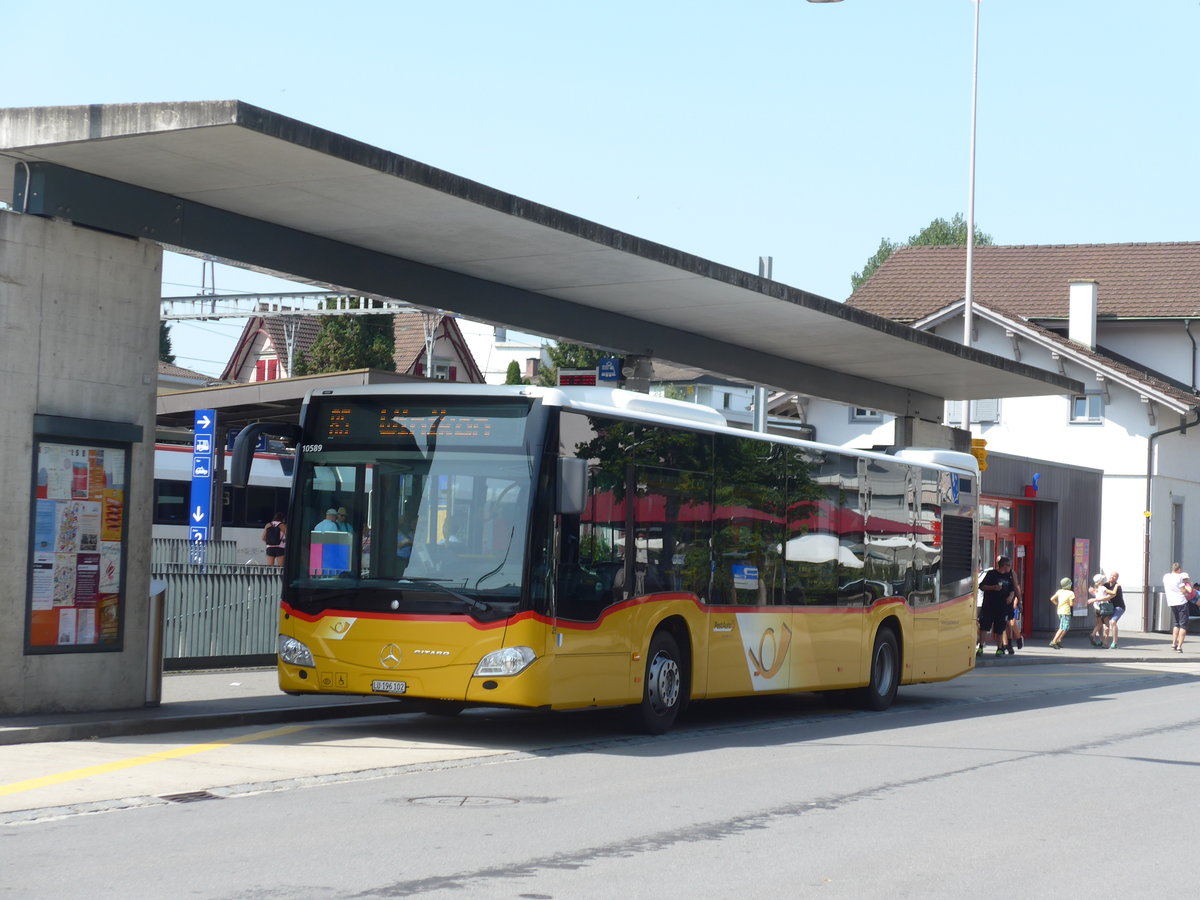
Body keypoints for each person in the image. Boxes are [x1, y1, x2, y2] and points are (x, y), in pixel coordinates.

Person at [978, 556, 1016, 656]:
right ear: (1004, 566)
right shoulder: (992, 574)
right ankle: (981, 647)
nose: (1010, 568)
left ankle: (999, 648)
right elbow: (982, 586)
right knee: (984, 627)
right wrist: (993, 587)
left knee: (1000, 628)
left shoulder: (1008, 576)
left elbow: (1012, 589)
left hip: (1002, 606)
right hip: (989, 605)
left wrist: (1011, 597)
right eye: (1009, 566)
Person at [1163, 562, 1191, 652]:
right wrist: (1187, 590)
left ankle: (1173, 644)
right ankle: (1179, 646)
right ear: (1179, 569)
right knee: (1183, 625)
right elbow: (1183, 590)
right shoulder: (1179, 577)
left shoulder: (1166, 577)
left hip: (1171, 602)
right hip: (1181, 602)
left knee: (1176, 623)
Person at [1086, 574, 1114, 646]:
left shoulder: (1096, 588)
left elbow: (1097, 595)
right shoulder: (1103, 588)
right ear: (1101, 581)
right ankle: (1105, 643)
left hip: (1096, 608)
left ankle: (1092, 634)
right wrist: (1116, 588)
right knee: (1107, 625)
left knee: (1099, 624)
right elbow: (1113, 593)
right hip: (1104, 608)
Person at [1048, 577, 1075, 648]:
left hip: (1059, 611)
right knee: (1062, 627)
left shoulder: (1059, 591)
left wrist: (1057, 604)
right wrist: (1074, 603)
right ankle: (1054, 641)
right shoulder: (1071, 593)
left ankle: (1058, 640)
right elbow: (1071, 604)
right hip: (1066, 612)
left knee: (1066, 627)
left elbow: (1052, 599)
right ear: (1069, 585)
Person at [1105, 571, 1125, 649]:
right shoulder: (1106, 584)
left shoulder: (1117, 586)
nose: (1112, 577)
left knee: (1113, 622)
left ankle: (1114, 642)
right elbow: (1099, 588)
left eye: (1114, 576)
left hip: (1119, 607)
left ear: (1117, 578)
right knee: (1101, 621)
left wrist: (1096, 599)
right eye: (1111, 575)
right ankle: (1102, 641)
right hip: (1110, 607)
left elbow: (1111, 595)